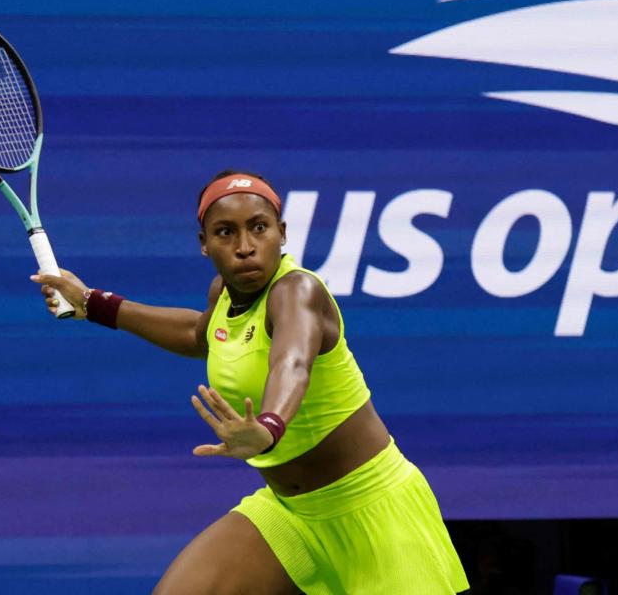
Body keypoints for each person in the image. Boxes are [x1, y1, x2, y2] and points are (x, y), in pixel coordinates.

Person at [31, 170, 469, 595]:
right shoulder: (222, 293)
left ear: (281, 233)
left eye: (258, 228)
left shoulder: (296, 292)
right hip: (291, 515)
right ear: (204, 245)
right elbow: (197, 335)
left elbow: (292, 363)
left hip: (373, 511)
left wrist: (267, 427)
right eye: (225, 232)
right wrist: (94, 304)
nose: (245, 247)